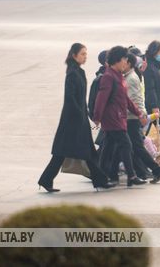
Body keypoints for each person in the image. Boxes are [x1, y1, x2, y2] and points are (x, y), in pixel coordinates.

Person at [38, 43, 113, 192]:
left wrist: (85, 115)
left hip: (79, 119)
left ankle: (46, 180)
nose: (85, 57)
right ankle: (100, 180)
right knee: (74, 153)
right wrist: (80, 116)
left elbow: (81, 99)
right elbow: (70, 98)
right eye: (82, 54)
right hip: (72, 121)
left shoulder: (79, 71)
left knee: (79, 152)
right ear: (74, 55)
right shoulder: (73, 73)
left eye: (86, 54)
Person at [93, 45, 149, 187]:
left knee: (108, 149)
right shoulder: (108, 77)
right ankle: (132, 176)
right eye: (124, 59)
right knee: (126, 144)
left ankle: (100, 177)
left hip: (119, 117)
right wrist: (97, 117)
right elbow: (101, 99)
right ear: (117, 60)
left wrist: (138, 113)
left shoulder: (118, 76)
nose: (126, 62)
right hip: (113, 119)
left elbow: (126, 100)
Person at [122, 51, 160, 184]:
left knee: (137, 147)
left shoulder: (131, 79)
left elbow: (135, 100)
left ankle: (157, 171)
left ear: (129, 64)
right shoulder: (129, 77)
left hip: (132, 118)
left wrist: (140, 114)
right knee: (133, 147)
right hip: (132, 117)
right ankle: (140, 173)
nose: (122, 64)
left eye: (124, 61)